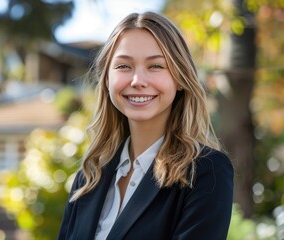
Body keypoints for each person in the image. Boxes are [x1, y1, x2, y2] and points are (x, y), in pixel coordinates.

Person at [57, 11, 234, 240]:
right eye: (123, 66)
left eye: (156, 66)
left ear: (179, 78)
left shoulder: (206, 172)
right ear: (107, 79)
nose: (138, 81)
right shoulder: (90, 176)